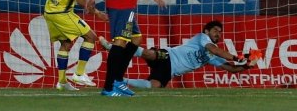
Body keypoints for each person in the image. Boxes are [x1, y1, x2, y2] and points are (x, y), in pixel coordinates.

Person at [99, 20, 262, 88]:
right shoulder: (202, 38)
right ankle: (114, 47)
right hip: (169, 56)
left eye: (220, 32)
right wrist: (238, 57)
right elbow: (214, 49)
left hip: (170, 71)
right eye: (215, 31)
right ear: (207, 31)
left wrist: (246, 66)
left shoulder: (213, 58)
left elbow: (232, 69)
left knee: (155, 86)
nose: (218, 34)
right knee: (150, 54)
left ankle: (119, 80)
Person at [37, 0, 107, 91]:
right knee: (91, 37)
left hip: (49, 10)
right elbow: (80, 0)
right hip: (62, 13)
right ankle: (79, 74)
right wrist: (98, 13)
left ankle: (62, 82)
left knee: (66, 44)